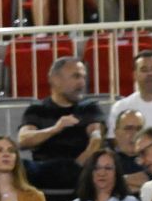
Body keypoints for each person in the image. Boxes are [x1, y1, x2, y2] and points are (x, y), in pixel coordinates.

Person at [19, 58, 107, 193]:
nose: (82, 83)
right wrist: (55, 129)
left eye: (84, 77)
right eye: (76, 76)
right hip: (44, 171)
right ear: (55, 79)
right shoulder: (37, 109)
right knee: (18, 166)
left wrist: (77, 165)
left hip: (79, 170)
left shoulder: (89, 108)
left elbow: (96, 138)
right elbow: (23, 140)